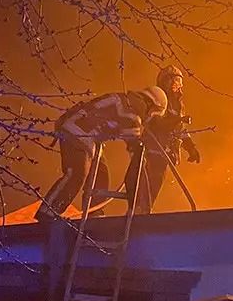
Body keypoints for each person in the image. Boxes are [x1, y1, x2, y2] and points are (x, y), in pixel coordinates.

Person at [36, 86, 168, 223]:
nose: (150, 117)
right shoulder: (131, 115)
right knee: (76, 174)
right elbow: (134, 146)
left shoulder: (124, 101)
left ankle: (94, 213)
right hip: (77, 133)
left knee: (101, 173)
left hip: (87, 136)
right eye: (154, 114)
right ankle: (48, 212)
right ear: (150, 104)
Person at [126, 65, 202, 213]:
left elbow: (180, 130)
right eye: (174, 81)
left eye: (179, 81)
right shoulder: (158, 99)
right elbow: (156, 123)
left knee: (156, 183)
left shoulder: (178, 105)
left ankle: (143, 211)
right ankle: (138, 210)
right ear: (165, 82)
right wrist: (178, 120)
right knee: (145, 182)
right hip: (152, 149)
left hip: (165, 153)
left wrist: (191, 147)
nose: (177, 85)